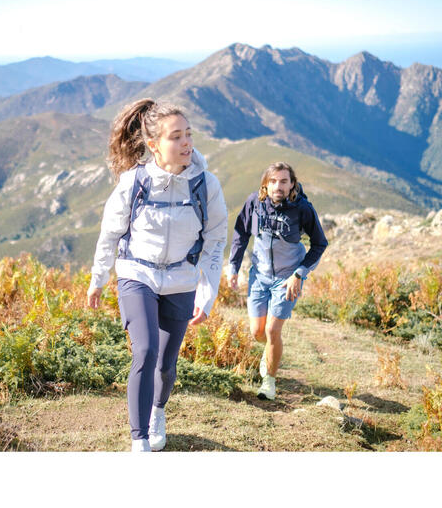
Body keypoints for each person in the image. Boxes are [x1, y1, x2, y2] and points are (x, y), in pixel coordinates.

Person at [87, 98, 228, 452]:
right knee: (145, 351)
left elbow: (215, 241)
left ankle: (157, 411)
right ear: (154, 145)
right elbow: (110, 233)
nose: (186, 144)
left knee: (165, 366)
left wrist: (206, 293)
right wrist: (98, 278)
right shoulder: (133, 182)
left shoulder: (205, 185)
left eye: (189, 135)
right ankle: (140, 443)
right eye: (176, 137)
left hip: (180, 280)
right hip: (137, 274)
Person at [227, 162, 328, 401]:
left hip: (287, 278)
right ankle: (269, 351)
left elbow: (319, 244)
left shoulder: (302, 208)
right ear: (265, 183)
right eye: (273, 181)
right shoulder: (255, 203)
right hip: (259, 276)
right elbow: (241, 232)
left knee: (273, 330)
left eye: (283, 181)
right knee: (257, 332)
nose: (278, 186)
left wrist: (299, 273)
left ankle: (269, 382)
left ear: (292, 184)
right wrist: (233, 266)